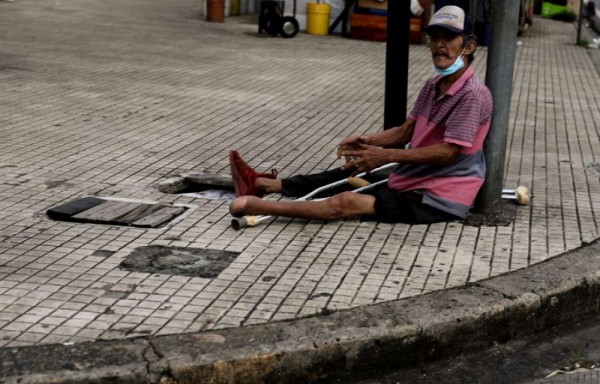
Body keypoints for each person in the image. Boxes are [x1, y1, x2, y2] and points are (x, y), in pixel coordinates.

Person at [229, 5, 493, 225]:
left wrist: (385, 155)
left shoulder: (472, 94)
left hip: (439, 196)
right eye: (434, 38)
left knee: (347, 201)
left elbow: (447, 153)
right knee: (352, 171)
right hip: (413, 178)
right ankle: (264, 185)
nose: (439, 45)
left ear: (468, 46)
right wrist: (369, 142)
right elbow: (405, 132)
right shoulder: (433, 85)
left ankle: (258, 206)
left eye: (448, 38)